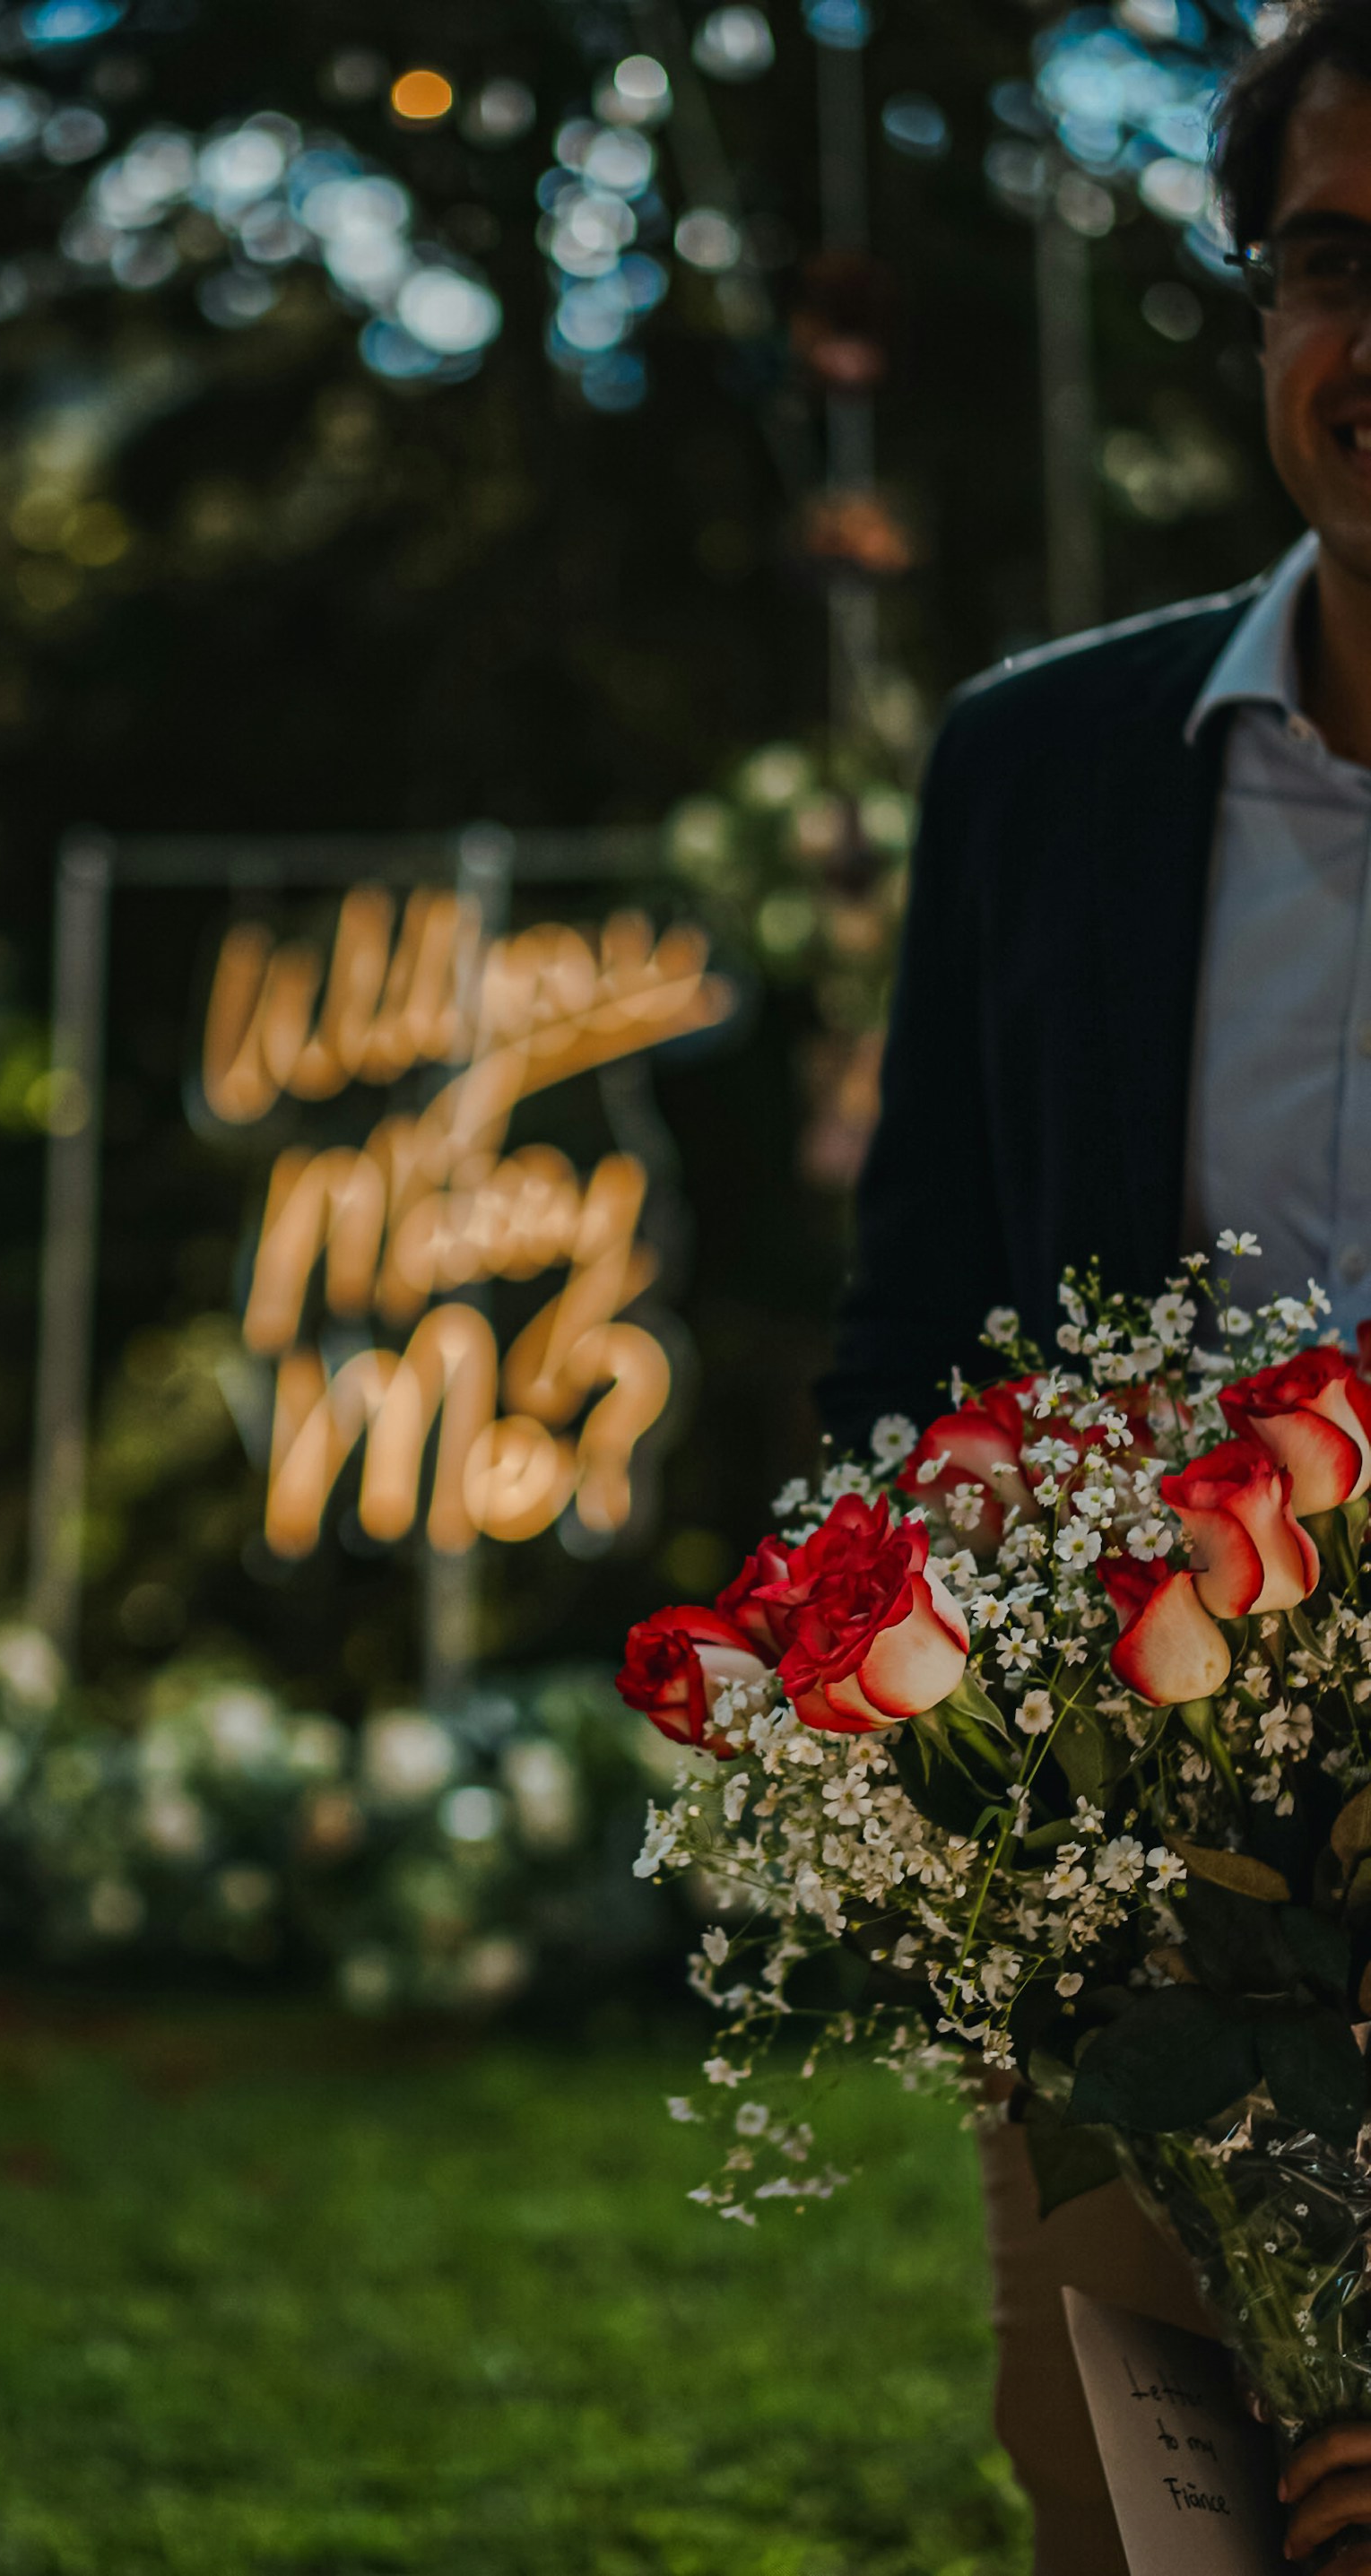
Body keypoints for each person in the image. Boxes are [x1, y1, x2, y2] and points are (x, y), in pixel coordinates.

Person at [820, 5, 1371, 2570]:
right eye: (1333, 260)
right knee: (1159, 2543)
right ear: (1258, 305)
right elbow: (910, 1343)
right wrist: (943, 1794)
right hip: (1137, 1956)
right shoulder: (1041, 775)